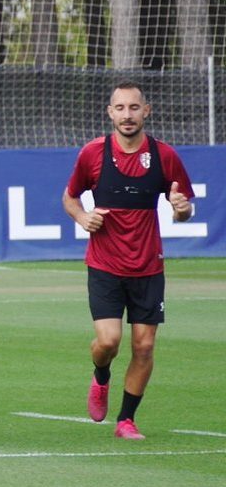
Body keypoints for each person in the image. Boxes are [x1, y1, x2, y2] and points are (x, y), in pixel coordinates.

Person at [61, 81, 194, 439]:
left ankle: (126, 420)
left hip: (149, 266)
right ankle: (101, 376)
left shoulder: (164, 156)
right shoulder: (93, 153)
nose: (127, 115)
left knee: (145, 346)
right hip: (104, 264)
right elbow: (70, 197)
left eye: (134, 108)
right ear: (110, 113)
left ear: (146, 111)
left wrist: (183, 210)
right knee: (108, 342)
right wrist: (82, 217)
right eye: (120, 108)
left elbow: (184, 209)